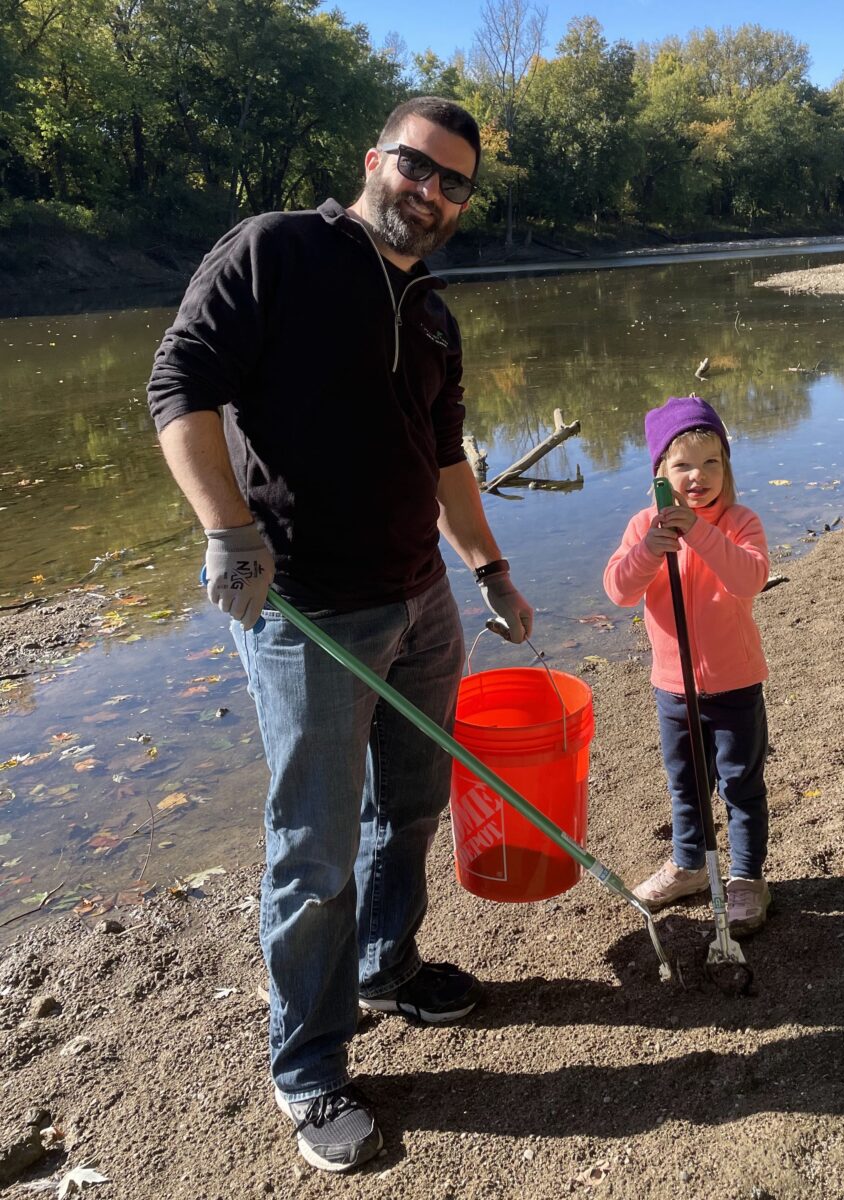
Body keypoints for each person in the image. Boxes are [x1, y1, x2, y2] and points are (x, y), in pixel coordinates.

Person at [147, 96, 533, 1174]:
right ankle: (309, 1068)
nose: (434, 193)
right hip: (309, 609)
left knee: (408, 805)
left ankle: (387, 965)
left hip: (421, 602)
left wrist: (490, 567)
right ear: (377, 159)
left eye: (455, 184)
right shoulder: (277, 250)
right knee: (313, 848)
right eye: (420, 168)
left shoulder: (437, 313)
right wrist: (226, 529)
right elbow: (178, 383)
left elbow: (446, 459)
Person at [603, 396, 771, 934]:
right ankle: (689, 865)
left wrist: (698, 532)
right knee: (686, 785)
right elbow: (618, 591)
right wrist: (651, 549)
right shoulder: (643, 527)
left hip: (734, 684)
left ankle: (745, 878)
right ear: (659, 474)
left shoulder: (740, 522)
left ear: (726, 467)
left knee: (741, 785)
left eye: (711, 463)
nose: (697, 477)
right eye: (682, 466)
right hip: (673, 689)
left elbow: (750, 580)